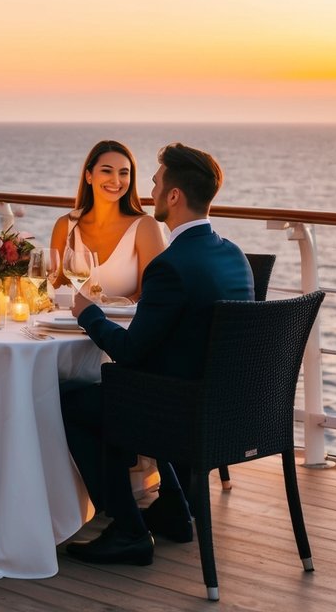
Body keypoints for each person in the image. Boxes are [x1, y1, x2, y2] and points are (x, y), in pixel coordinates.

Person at [61, 142, 254, 566]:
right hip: (227, 409)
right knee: (115, 395)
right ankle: (173, 508)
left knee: (74, 403)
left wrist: (87, 314)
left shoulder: (170, 266)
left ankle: (129, 528)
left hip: (178, 411)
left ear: (174, 196)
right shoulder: (234, 255)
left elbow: (129, 351)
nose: (148, 190)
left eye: (155, 182)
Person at [50, 140, 167, 300]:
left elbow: (151, 295)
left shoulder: (145, 226)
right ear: (89, 176)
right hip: (70, 323)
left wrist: (106, 309)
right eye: (107, 171)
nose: (116, 181)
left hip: (124, 324)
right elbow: (56, 288)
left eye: (124, 173)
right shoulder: (66, 226)